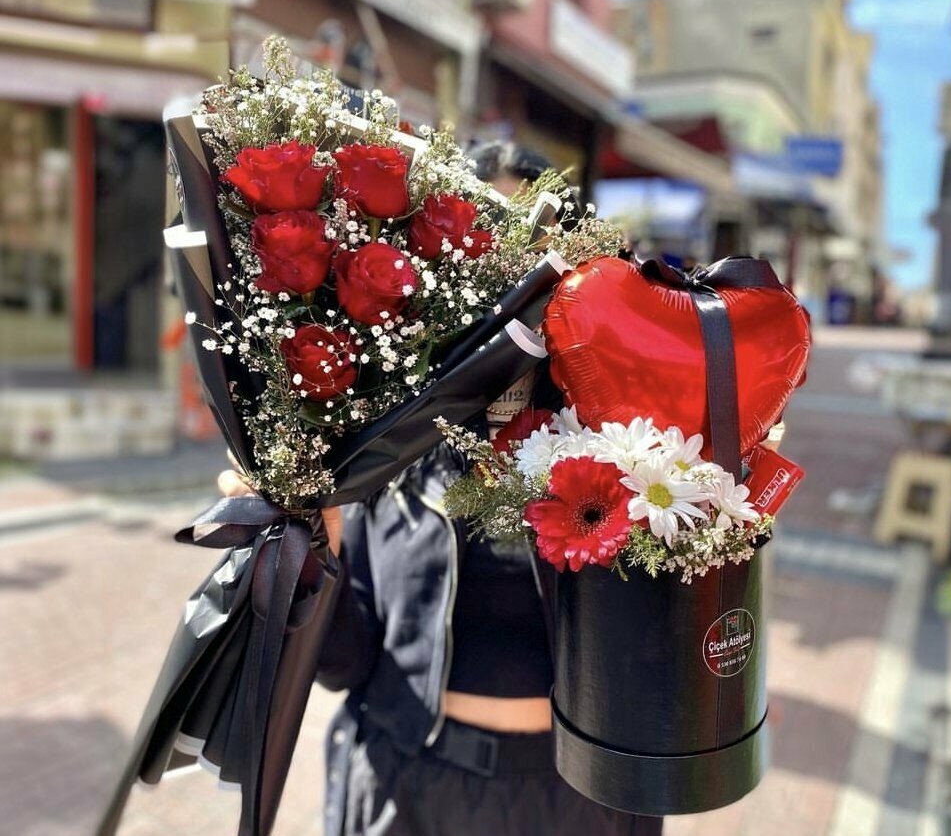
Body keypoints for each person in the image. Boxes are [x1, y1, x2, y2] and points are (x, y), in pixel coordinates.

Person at [221, 144, 663, 836]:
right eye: (481, 240)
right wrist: (302, 550)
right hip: (406, 786)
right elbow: (344, 661)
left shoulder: (624, 437)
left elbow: (658, 647)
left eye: (530, 246)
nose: (507, 274)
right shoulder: (382, 431)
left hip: (580, 798)